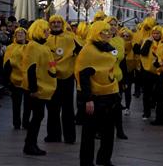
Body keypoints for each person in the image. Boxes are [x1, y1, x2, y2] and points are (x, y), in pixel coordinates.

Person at [75, 21, 120, 166]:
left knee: (108, 132)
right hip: (94, 97)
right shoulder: (87, 50)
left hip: (110, 93)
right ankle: (86, 162)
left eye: (108, 31)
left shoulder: (110, 48)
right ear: (96, 33)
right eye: (104, 32)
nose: (107, 34)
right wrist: (88, 99)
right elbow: (83, 76)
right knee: (89, 132)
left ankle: (104, 159)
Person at [22, 19, 57, 156]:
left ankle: (31, 143)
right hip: (36, 89)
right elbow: (31, 68)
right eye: (46, 30)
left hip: (43, 88)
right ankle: (30, 144)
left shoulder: (43, 46)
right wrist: (33, 89)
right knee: (37, 116)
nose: (48, 32)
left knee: (38, 116)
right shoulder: (33, 46)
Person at [45, 15, 80, 144]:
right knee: (52, 108)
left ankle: (69, 137)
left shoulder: (71, 37)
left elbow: (81, 51)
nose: (56, 24)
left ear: (63, 23)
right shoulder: (46, 38)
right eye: (53, 22)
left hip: (67, 77)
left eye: (58, 22)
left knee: (68, 108)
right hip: (51, 77)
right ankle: (53, 135)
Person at [3, 27, 31, 129]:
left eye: (22, 33)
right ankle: (16, 123)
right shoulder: (10, 47)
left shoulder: (30, 47)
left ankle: (26, 122)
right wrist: (7, 80)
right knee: (16, 103)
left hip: (28, 79)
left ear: (25, 34)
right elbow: (6, 63)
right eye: (17, 33)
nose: (19, 34)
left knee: (28, 103)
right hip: (15, 79)